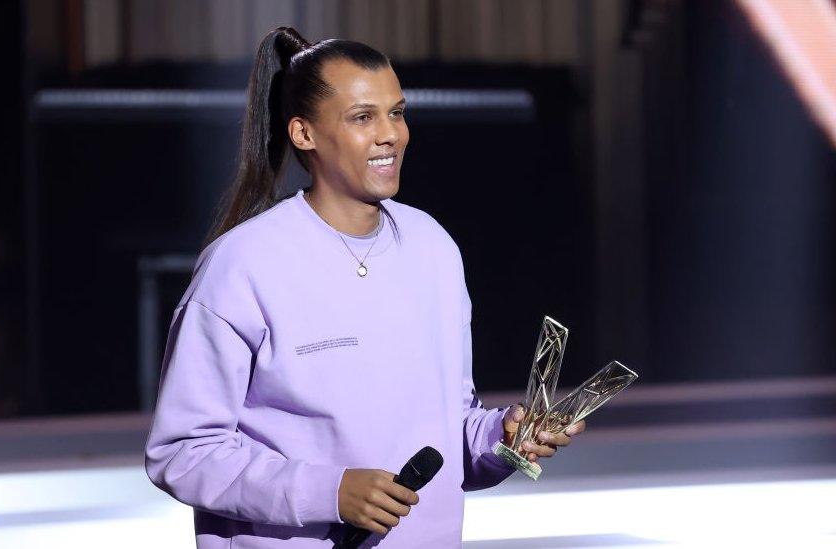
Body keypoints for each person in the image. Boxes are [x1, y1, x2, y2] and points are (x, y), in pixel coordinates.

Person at [144, 26, 586, 548]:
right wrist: (329, 492)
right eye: (363, 117)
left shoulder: (432, 248)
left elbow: (448, 430)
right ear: (303, 134)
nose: (390, 134)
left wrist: (500, 438)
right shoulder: (241, 265)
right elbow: (183, 452)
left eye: (397, 112)